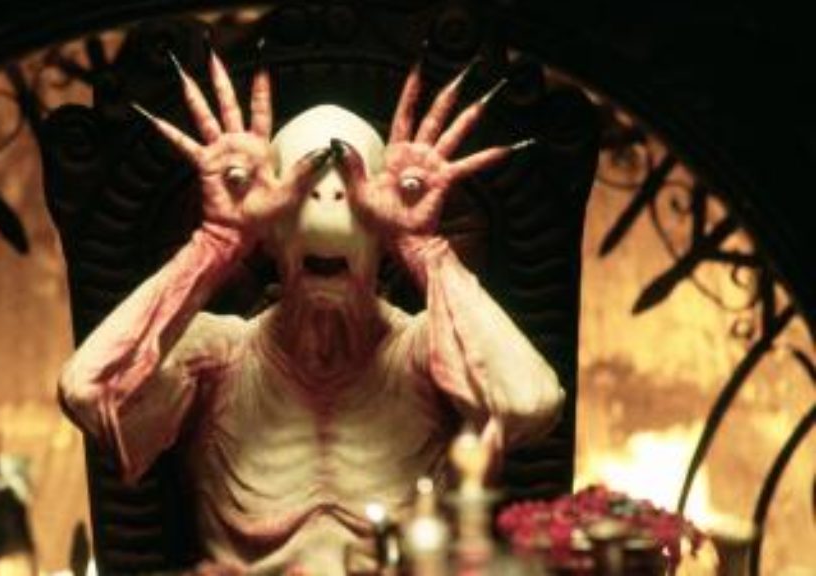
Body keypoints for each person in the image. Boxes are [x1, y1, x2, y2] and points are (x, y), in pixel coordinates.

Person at [58, 45, 564, 575]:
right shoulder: (219, 355)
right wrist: (215, 242)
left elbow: (529, 405)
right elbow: (89, 391)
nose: (328, 200)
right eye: (301, 192)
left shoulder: (422, 350)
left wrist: (424, 248)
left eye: (353, 191)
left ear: (381, 235)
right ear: (270, 235)